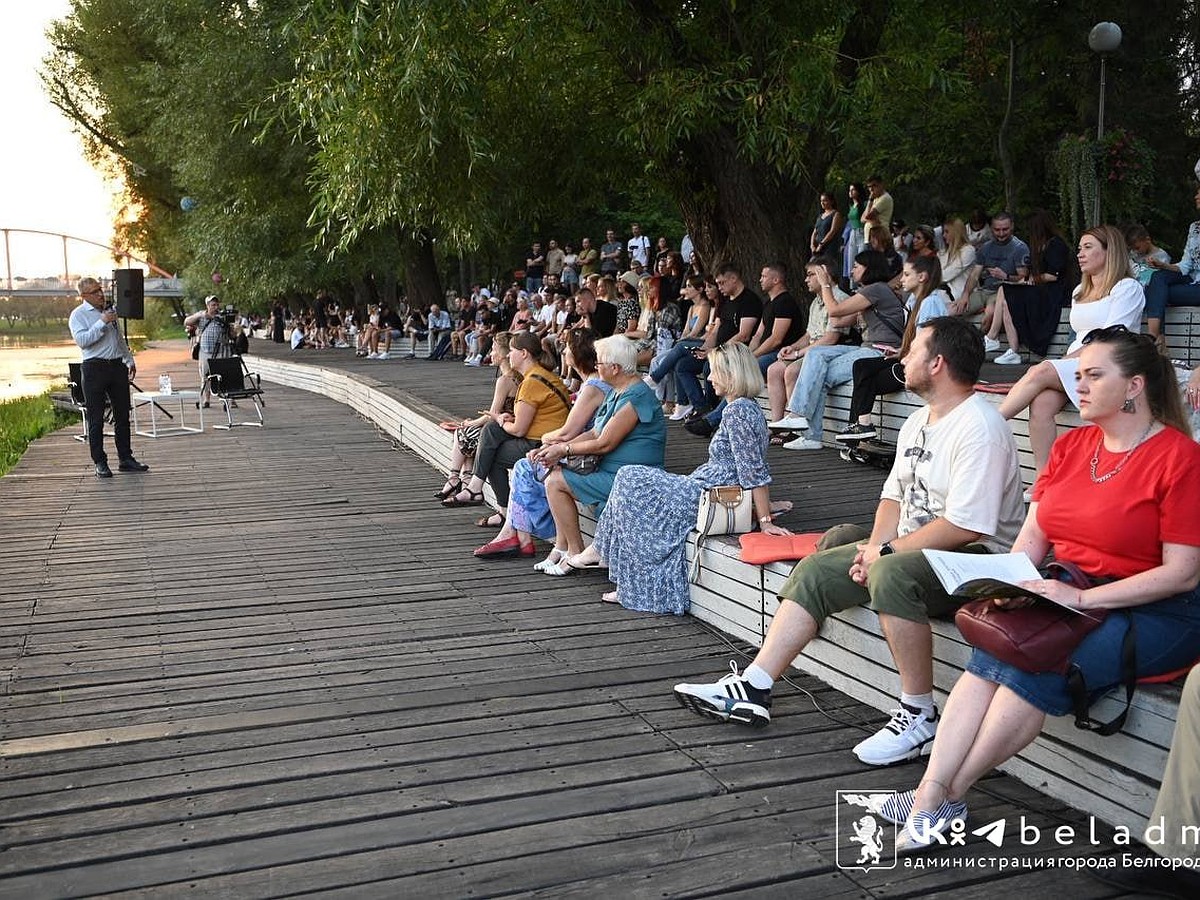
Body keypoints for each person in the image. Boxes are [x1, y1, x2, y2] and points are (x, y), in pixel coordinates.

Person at [884, 325, 1200, 849]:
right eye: (1078, 375)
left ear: (1135, 387)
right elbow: (1032, 540)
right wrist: (1010, 584)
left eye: (1095, 375)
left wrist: (1082, 599)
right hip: (1066, 590)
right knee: (993, 653)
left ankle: (945, 797)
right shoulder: (1072, 445)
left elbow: (1183, 572)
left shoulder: (1180, 458)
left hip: (1156, 609)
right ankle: (931, 793)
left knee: (1035, 665)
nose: (1081, 385)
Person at [677, 317, 1024, 764]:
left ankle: (919, 714)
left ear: (937, 363)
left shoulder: (981, 426)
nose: (903, 357)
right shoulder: (919, 419)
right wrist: (872, 548)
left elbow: (967, 526)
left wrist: (884, 554)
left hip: (978, 561)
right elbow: (892, 499)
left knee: (893, 570)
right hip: (922, 547)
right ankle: (755, 686)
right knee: (828, 557)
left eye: (914, 350)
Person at [569, 343, 790, 613]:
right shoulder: (748, 407)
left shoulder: (737, 411)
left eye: (715, 372)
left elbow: (752, 469)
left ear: (732, 375)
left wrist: (765, 519)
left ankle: (606, 554)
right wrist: (764, 505)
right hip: (707, 486)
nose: (708, 378)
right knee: (630, 482)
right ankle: (608, 556)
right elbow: (751, 463)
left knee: (630, 477)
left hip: (710, 493)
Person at [478, 336, 667, 567]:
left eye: (599, 364)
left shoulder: (635, 396)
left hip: (631, 478)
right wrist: (556, 449)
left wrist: (563, 449)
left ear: (615, 368)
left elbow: (604, 443)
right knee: (550, 474)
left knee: (555, 481)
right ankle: (567, 548)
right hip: (612, 470)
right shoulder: (619, 391)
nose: (596, 367)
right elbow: (595, 433)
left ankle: (570, 549)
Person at [998, 225, 1144, 477]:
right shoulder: (1079, 291)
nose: (1080, 254)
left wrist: (1066, 361)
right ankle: (1044, 478)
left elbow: (1111, 337)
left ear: (1111, 252)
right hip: (1079, 363)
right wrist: (1069, 360)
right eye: (1079, 248)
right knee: (1041, 403)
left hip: (1110, 362)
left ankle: (987, 425)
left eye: (1088, 247)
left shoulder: (1127, 288)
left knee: (1040, 370)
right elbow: (1079, 336)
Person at [769, 249, 905, 450]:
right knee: (816, 356)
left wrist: (826, 284)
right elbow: (839, 319)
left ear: (869, 268)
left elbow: (834, 311)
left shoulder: (876, 289)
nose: (851, 271)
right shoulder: (869, 293)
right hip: (864, 348)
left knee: (819, 370)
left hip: (879, 352)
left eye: (856, 266)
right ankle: (809, 433)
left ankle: (801, 420)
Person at [442, 331, 570, 513]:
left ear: (524, 353)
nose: (509, 355)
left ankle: (497, 507)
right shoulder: (541, 375)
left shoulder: (531, 383)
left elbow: (518, 430)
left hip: (543, 444)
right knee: (492, 430)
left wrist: (500, 419)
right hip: (545, 436)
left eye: (512, 350)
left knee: (492, 448)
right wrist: (503, 419)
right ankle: (478, 491)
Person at [835, 254, 951, 443]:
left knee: (867, 378)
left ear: (922, 277)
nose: (901, 279)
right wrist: (900, 353)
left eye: (906, 274)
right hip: (909, 360)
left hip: (922, 367)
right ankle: (862, 426)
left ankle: (859, 434)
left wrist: (906, 357)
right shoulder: (913, 301)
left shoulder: (931, 302)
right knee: (862, 367)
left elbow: (927, 343)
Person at [68, 276, 149, 478]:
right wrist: (102, 322)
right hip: (94, 368)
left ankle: (126, 459)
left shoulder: (109, 311)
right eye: (95, 292)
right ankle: (100, 462)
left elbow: (118, 338)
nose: (101, 294)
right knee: (96, 419)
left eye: (100, 290)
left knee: (123, 415)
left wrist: (129, 359)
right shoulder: (78, 315)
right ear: (84, 296)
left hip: (117, 367)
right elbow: (83, 341)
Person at [435, 331, 520, 520]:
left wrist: (470, 422)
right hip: (507, 425)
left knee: (462, 433)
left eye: (494, 349)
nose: (491, 352)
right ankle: (463, 480)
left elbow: (492, 414)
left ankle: (456, 479)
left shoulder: (505, 380)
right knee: (467, 433)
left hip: (503, 428)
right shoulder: (519, 376)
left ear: (505, 353)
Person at [764, 255, 850, 427]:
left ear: (825, 274)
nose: (806, 279)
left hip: (828, 353)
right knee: (773, 369)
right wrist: (792, 347)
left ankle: (794, 425)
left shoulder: (840, 299)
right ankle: (777, 424)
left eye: (811, 274)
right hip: (811, 350)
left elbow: (831, 339)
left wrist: (798, 353)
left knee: (792, 371)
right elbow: (809, 335)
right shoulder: (815, 302)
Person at [983, 209, 1074, 363]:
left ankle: (992, 337)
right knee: (1006, 300)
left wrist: (1031, 280)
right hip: (1040, 289)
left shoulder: (1056, 245)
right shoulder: (1040, 245)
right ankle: (1013, 351)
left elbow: (1053, 275)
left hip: (1052, 292)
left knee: (1004, 290)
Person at [1144, 184, 1200, 349]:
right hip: (1192, 282)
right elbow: (1185, 265)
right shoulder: (1195, 228)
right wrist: (1162, 265)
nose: (1195, 197)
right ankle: (1154, 336)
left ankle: (1156, 340)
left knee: (1156, 293)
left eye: (1199, 193)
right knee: (1158, 278)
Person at [955, 212, 1030, 329]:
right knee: (953, 309)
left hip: (1004, 291)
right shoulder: (986, 248)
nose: (1001, 234)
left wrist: (1006, 276)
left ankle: (982, 343)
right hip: (984, 291)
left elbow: (1024, 277)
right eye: (997, 230)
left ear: (1012, 227)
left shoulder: (1019, 248)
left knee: (990, 312)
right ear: (991, 228)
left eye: (1005, 229)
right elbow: (975, 275)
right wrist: (965, 294)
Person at [184, 295, 230, 408]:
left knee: (220, 376)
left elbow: (230, 332)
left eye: (217, 304)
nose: (215, 307)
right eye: (213, 305)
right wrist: (200, 315)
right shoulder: (201, 315)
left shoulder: (222, 317)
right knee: (204, 377)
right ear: (207, 306)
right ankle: (206, 400)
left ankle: (224, 399)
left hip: (219, 351)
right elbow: (186, 322)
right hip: (204, 351)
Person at [938, 218, 976, 302]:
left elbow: (946, 275)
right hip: (943, 292)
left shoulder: (968, 250)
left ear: (956, 233)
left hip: (960, 295)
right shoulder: (943, 252)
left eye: (947, 232)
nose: (944, 236)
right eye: (943, 232)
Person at [811, 192, 845, 262]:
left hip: (829, 248)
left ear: (831, 201)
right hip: (817, 249)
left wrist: (821, 244)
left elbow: (832, 231)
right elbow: (815, 232)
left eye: (825, 200)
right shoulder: (820, 216)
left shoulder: (836, 214)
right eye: (821, 201)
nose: (822, 203)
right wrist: (812, 245)